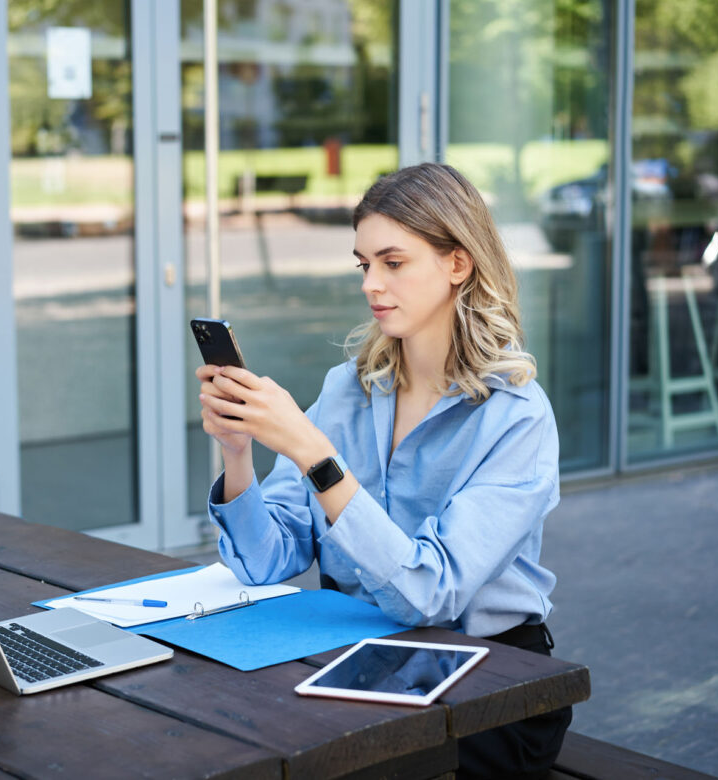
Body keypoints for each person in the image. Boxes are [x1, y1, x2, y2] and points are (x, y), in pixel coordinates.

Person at [196, 162, 572, 780]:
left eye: (393, 262)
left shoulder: (516, 417)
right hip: (356, 658)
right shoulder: (347, 389)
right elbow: (265, 562)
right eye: (363, 264)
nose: (372, 284)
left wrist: (315, 456)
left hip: (489, 683)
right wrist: (237, 452)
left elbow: (429, 595)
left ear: (458, 263)